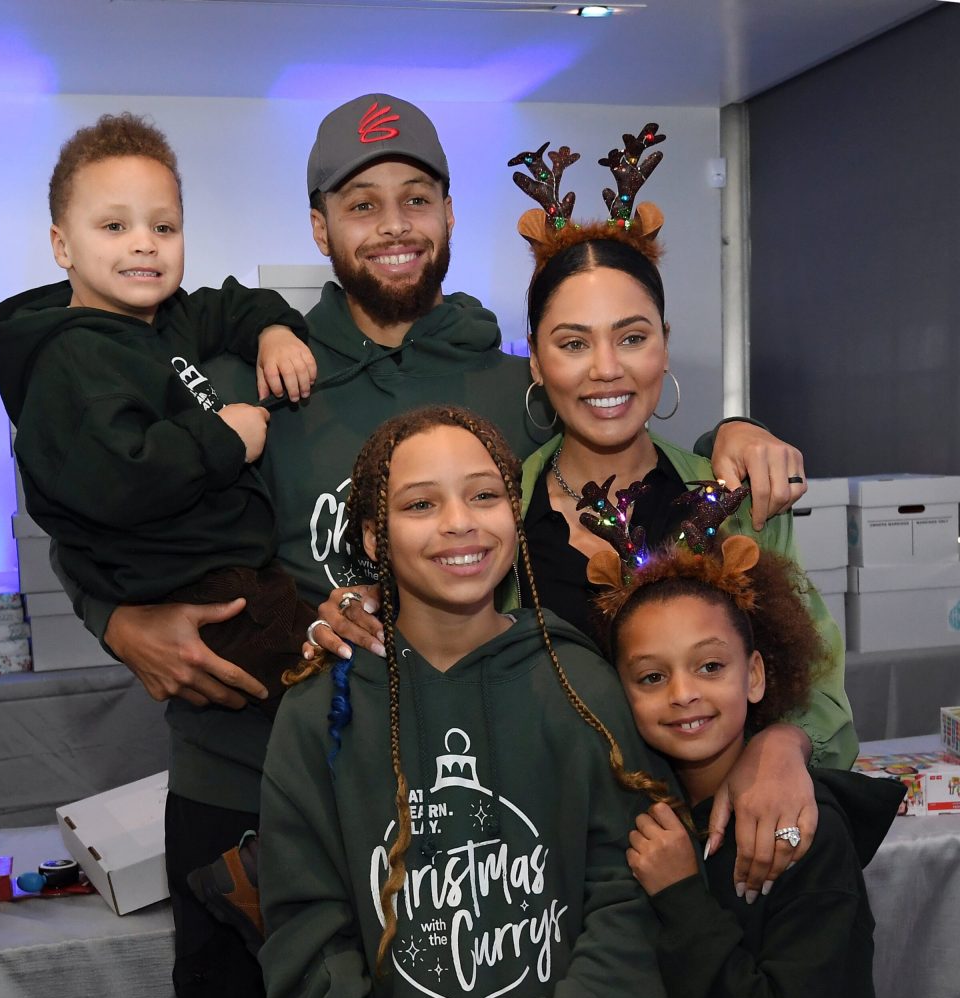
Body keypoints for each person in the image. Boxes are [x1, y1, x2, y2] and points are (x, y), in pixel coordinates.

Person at [53, 96, 810, 998]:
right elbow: (90, 483)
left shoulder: (514, 386)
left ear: (450, 214)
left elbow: (620, 423)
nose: (393, 225)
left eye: (416, 198)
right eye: (361, 204)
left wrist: (732, 432)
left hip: (465, 787)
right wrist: (114, 617)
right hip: (244, 775)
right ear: (319, 227)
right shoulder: (258, 379)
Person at [313, 120, 858, 910]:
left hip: (729, 872)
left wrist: (782, 742)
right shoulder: (498, 524)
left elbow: (822, 690)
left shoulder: (739, 503)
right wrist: (367, 605)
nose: (606, 369)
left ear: (664, 346)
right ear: (535, 359)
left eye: (631, 337)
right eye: (573, 343)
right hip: (548, 884)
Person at [258, 405, 681, 998]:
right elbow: (306, 929)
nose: (459, 522)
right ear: (375, 538)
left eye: (484, 495)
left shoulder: (579, 683)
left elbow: (628, 897)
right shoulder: (321, 711)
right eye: (420, 504)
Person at [0, 112, 318, 721]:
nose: (144, 242)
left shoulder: (169, 318)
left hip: (230, 565)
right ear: (62, 245)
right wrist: (224, 438)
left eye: (164, 226)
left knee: (329, 663)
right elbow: (120, 478)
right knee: (325, 690)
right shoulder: (72, 360)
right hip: (180, 583)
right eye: (115, 226)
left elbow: (234, 304)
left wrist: (274, 330)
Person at [593, 531, 902, 998]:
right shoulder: (632, 816)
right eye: (652, 676)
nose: (683, 693)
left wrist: (680, 895)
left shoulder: (803, 830)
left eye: (710, 666)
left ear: (754, 675)